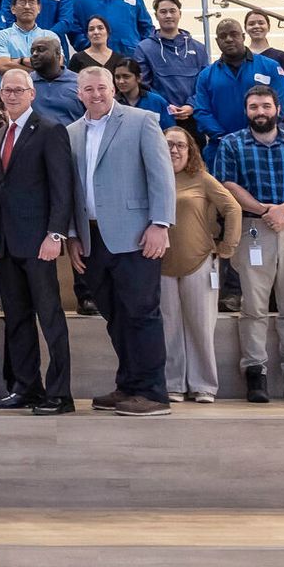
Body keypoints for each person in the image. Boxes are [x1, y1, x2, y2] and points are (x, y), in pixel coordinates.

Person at [66, 67, 175, 416]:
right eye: (88, 89)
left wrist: (160, 223)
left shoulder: (141, 120)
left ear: (113, 88)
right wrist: (72, 236)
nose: (95, 94)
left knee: (141, 314)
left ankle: (154, 393)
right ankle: (129, 385)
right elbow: (72, 190)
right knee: (115, 316)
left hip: (136, 235)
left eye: (102, 87)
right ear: (78, 93)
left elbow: (161, 175)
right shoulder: (71, 132)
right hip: (92, 238)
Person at [212, 85, 284, 404]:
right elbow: (227, 185)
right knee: (253, 307)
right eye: (254, 107)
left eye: (266, 106)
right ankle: (255, 374)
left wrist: (283, 209)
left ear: (278, 109)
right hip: (252, 230)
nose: (260, 112)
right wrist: (264, 210)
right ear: (246, 111)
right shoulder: (232, 143)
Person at [0, 70, 76, 415]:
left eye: (18, 90)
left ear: (32, 93)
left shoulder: (51, 130)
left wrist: (56, 234)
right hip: (7, 245)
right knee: (17, 320)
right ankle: (27, 387)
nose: (11, 95)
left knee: (50, 319)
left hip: (40, 243)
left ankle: (60, 394)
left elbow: (61, 187)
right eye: (6, 90)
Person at [160, 128, 240, 403]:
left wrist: (228, 246)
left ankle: (204, 385)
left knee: (201, 326)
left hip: (200, 263)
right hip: (161, 265)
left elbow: (232, 208)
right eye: (168, 144)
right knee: (169, 327)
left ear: (190, 150)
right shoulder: (153, 177)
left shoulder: (202, 179)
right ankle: (173, 384)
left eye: (180, 145)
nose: (174, 150)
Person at [192, 18, 284, 143]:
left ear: (243, 37)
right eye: (223, 36)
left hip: (265, 144)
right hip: (220, 145)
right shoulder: (206, 76)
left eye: (234, 34)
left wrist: (256, 135)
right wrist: (224, 138)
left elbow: (279, 105)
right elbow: (202, 111)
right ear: (217, 41)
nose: (228, 39)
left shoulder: (271, 67)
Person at [135, 0, 207, 129]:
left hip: (193, 118)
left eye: (172, 11)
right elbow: (143, 85)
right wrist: (166, 106)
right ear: (156, 16)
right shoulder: (144, 48)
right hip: (160, 118)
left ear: (180, 14)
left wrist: (191, 105)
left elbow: (204, 84)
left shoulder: (199, 48)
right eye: (163, 12)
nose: (168, 15)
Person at [0, 0, 61, 82]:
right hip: (10, 93)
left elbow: (57, 66)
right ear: (13, 9)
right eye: (22, 2)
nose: (27, 7)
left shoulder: (50, 36)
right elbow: (3, 67)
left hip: (44, 92)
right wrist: (42, 71)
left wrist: (19, 60)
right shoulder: (1, 36)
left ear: (39, 8)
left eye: (31, 2)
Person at [26, 35, 85, 126]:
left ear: (57, 54)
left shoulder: (80, 82)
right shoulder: (25, 83)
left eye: (41, 50)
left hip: (72, 138)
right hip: (34, 138)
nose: (34, 54)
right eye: (32, 51)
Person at [111, 57, 174, 131]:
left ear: (139, 77)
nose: (121, 81)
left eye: (126, 76)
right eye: (117, 77)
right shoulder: (111, 104)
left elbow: (170, 131)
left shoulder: (158, 102)